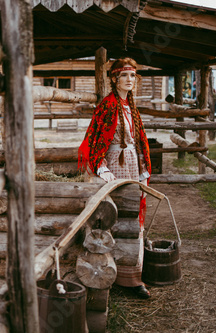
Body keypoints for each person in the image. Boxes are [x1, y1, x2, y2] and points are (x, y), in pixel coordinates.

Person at [78, 57, 152, 299]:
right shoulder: (108, 106)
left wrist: (143, 165)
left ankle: (133, 274)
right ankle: (113, 272)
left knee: (134, 218)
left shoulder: (131, 107)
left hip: (132, 165)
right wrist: (101, 168)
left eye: (133, 76)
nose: (129, 80)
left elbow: (139, 139)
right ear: (114, 79)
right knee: (117, 216)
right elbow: (95, 139)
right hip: (114, 166)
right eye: (124, 76)